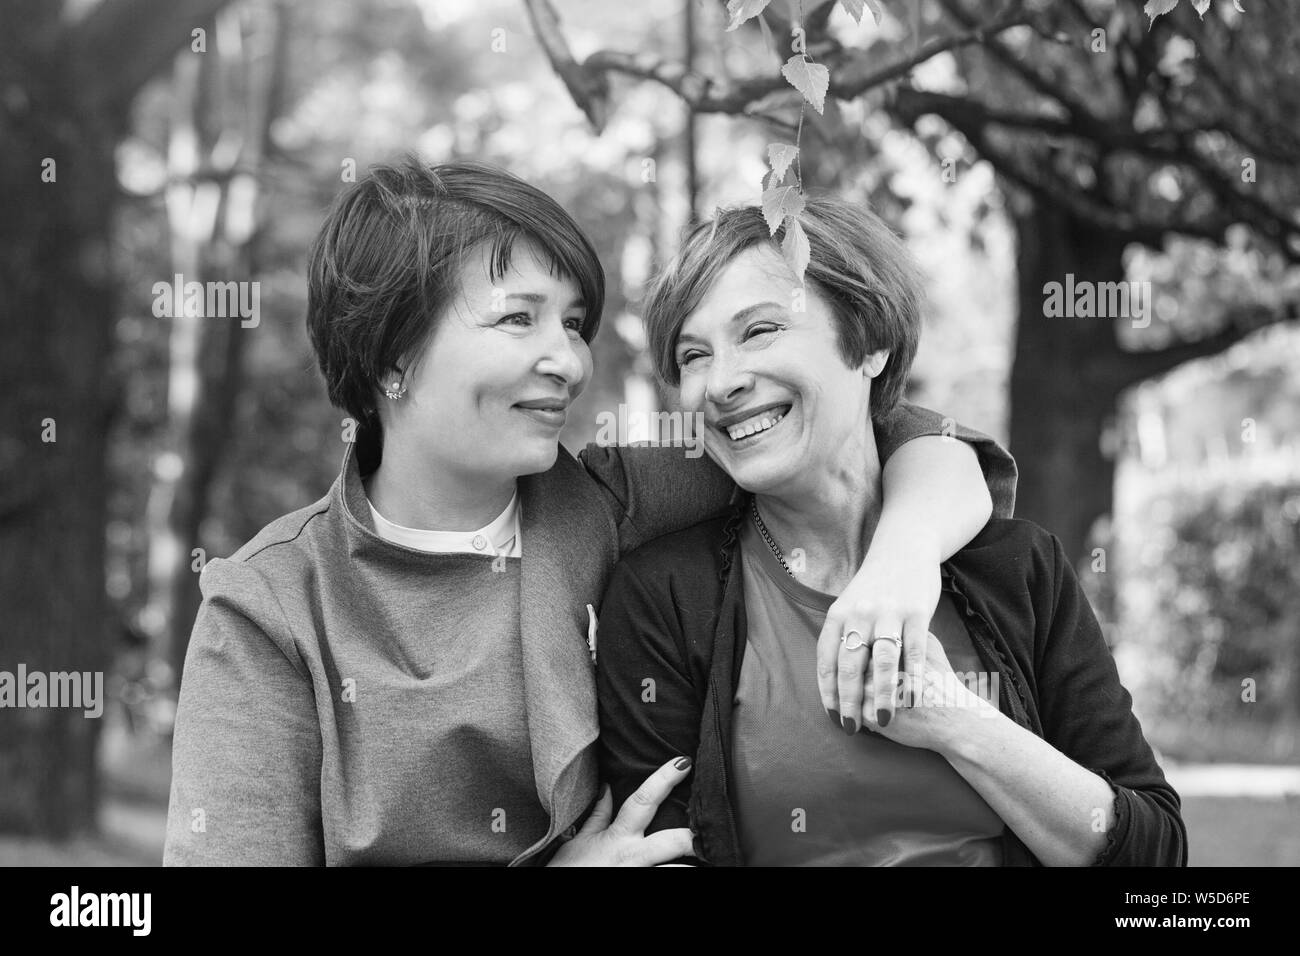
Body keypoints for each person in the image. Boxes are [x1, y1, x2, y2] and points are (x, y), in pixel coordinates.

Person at [163, 159, 1016, 866]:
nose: (566, 361)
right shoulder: (270, 606)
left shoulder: (610, 500)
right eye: (518, 319)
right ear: (392, 357)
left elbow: (882, 432)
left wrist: (902, 560)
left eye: (572, 322)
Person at [596, 197, 1187, 866]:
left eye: (759, 330)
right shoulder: (663, 598)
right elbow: (665, 849)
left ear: (870, 341)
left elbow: (1153, 853)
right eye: (693, 355)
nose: (721, 382)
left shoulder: (1020, 570)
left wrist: (957, 722)